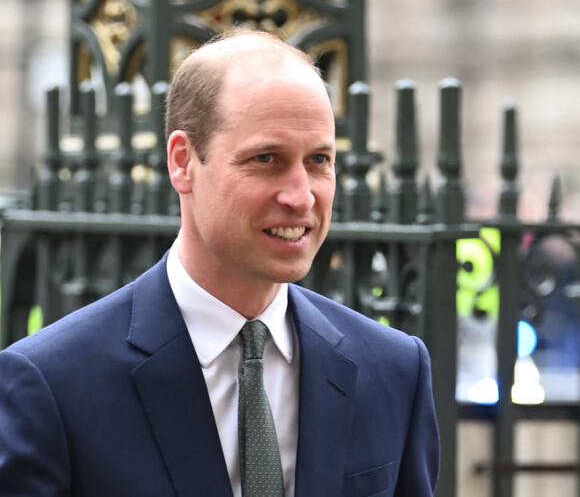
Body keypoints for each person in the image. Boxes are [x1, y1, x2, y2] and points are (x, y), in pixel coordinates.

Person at [0, 30, 440, 496]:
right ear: (182, 161)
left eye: (319, 160)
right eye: (266, 158)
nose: (301, 195)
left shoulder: (394, 371)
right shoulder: (53, 385)